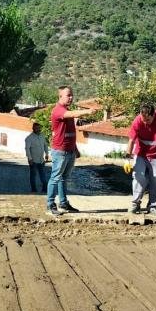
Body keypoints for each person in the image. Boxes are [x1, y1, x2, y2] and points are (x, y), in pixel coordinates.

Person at [46, 86, 95, 216]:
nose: (71, 97)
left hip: (70, 151)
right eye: (68, 95)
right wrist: (87, 112)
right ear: (60, 96)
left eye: (72, 95)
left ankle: (63, 203)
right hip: (60, 151)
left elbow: (70, 133)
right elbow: (72, 114)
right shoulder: (58, 111)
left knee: (64, 178)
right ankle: (50, 204)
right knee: (55, 178)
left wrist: (75, 149)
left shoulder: (66, 110)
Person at [25, 122, 49, 193]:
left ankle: (45, 189)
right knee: (33, 176)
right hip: (33, 160)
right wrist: (30, 158)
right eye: (36, 128)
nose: (38, 129)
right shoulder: (29, 138)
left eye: (39, 128)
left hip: (41, 160)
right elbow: (27, 149)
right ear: (33, 128)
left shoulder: (42, 136)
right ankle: (34, 189)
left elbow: (45, 145)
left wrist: (47, 154)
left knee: (42, 175)